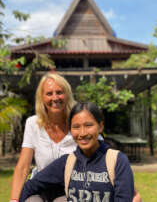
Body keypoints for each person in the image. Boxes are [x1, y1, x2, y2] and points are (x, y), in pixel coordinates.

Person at [10, 72, 142, 202]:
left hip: (71, 189)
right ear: (41, 98)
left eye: (59, 92)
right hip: (42, 184)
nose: (55, 98)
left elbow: (106, 159)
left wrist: (129, 187)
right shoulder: (34, 124)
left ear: (67, 94)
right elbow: (23, 166)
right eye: (49, 93)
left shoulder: (78, 120)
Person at [19, 102, 135, 202]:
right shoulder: (68, 162)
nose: (82, 133)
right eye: (76, 127)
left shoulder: (117, 161)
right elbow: (30, 186)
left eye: (88, 125)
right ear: (70, 130)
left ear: (100, 127)